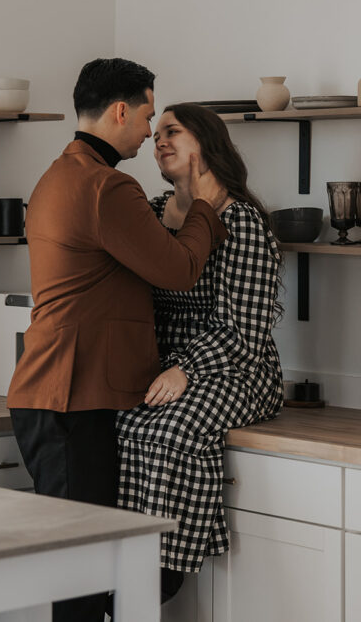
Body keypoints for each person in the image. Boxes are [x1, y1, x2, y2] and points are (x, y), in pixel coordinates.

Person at [6, 60, 229, 622]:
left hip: (56, 395)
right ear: (121, 110)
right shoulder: (107, 186)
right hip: (70, 402)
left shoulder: (61, 174)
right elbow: (179, 269)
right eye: (149, 116)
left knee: (78, 576)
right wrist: (205, 201)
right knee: (80, 583)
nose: (151, 133)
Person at [115, 102, 285, 603]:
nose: (159, 139)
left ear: (205, 145)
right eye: (157, 132)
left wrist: (185, 369)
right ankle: (123, 565)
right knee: (122, 423)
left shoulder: (242, 222)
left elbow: (244, 330)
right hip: (164, 365)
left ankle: (163, 568)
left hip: (236, 369)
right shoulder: (150, 212)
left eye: (173, 131)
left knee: (165, 428)